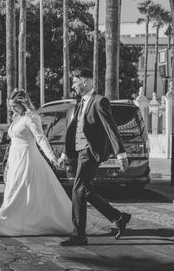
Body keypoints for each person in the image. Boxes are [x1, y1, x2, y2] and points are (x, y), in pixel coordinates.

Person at [0, 89, 75, 236]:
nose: (12, 110)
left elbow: (41, 139)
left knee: (16, 191)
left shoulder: (32, 118)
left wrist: (52, 157)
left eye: (14, 106)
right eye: (10, 107)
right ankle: (11, 223)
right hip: (15, 160)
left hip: (27, 159)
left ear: (23, 103)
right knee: (14, 191)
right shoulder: (18, 118)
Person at [58, 69, 131, 246]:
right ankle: (118, 217)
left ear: (84, 82)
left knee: (77, 189)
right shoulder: (80, 102)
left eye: (75, 82)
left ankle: (79, 235)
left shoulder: (100, 101)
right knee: (86, 190)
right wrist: (65, 153)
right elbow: (73, 129)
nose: (73, 86)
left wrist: (121, 154)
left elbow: (111, 128)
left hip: (90, 152)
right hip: (79, 152)